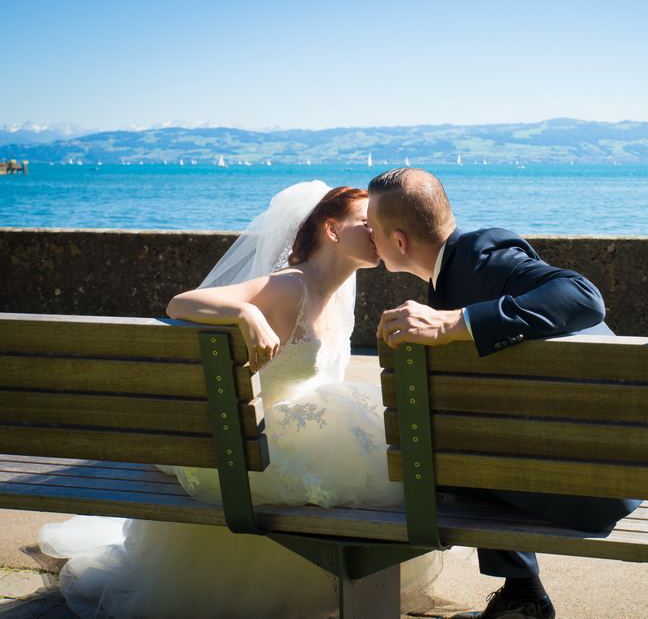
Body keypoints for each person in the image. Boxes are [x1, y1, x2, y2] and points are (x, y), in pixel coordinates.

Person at [39, 181, 439, 618]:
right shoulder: (291, 286)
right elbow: (179, 304)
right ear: (331, 230)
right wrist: (246, 311)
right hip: (272, 442)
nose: (377, 232)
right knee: (394, 472)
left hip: (301, 429)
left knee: (394, 464)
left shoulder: (337, 291)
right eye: (366, 223)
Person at [368, 167, 642, 619]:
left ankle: (524, 595)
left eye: (372, 230)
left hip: (597, 484)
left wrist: (455, 322)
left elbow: (583, 296)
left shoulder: (481, 255)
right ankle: (522, 596)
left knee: (424, 458)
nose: (368, 237)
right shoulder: (448, 276)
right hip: (601, 471)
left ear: (399, 242)